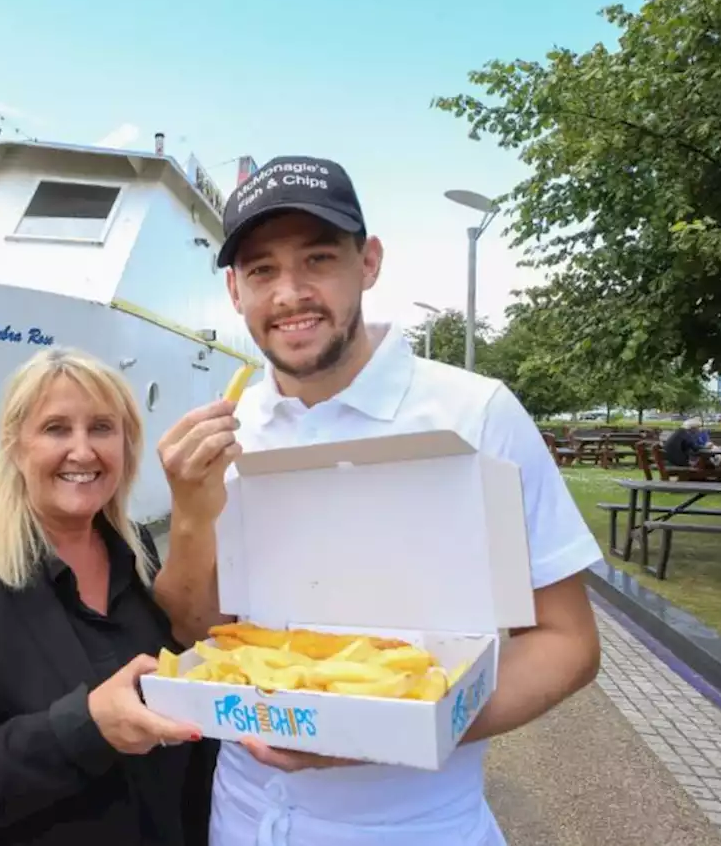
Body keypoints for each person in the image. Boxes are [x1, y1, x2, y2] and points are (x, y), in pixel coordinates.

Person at [153, 156, 603, 846]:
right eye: (262, 269)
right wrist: (190, 510)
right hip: (240, 819)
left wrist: (392, 727)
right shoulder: (227, 428)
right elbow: (198, 630)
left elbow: (568, 641)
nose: (290, 292)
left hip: (416, 827)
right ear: (234, 289)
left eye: (319, 258)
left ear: (369, 262)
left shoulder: (476, 415)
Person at [0, 347, 215, 846]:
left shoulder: (137, 555)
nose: (84, 451)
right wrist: (87, 727)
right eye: (56, 429)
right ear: (14, 443)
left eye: (103, 428)